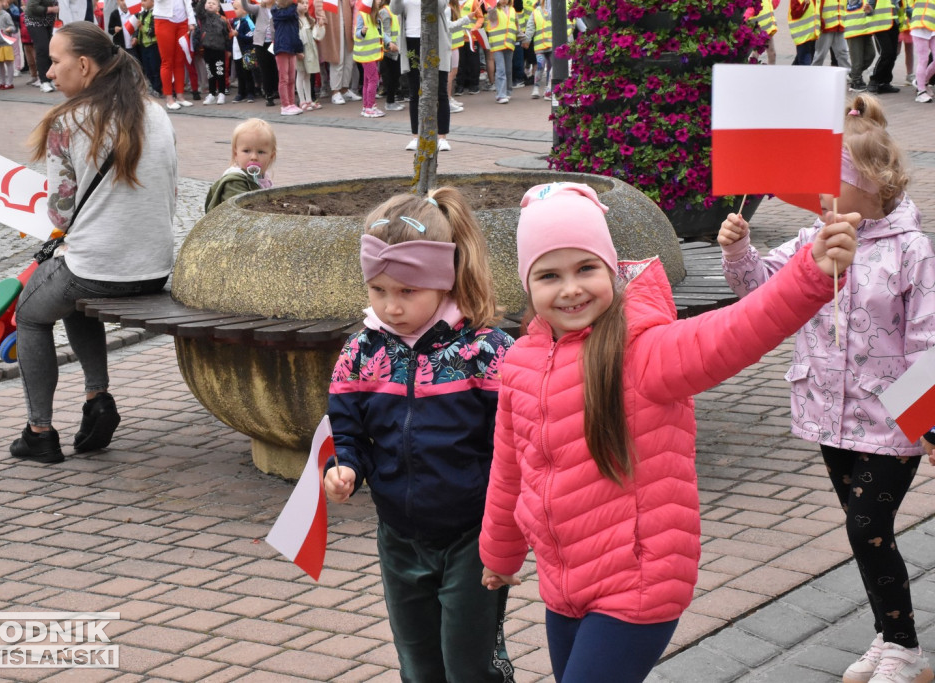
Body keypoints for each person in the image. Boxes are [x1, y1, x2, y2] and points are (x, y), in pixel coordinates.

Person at [479, 182, 859, 683]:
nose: (570, 288)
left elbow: (738, 330)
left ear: (612, 269)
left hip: (638, 583)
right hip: (564, 586)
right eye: (549, 275)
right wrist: (500, 554)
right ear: (528, 286)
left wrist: (809, 275)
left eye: (586, 268)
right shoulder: (519, 362)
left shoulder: (644, 351)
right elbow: (511, 467)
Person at [718, 95, 935, 683]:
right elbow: (761, 292)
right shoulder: (813, 238)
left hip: (891, 417)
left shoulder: (910, 250)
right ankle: (889, 636)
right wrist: (738, 249)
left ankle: (908, 650)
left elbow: (925, 338)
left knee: (866, 527)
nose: (817, 198)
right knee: (866, 532)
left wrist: (928, 421)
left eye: (828, 184)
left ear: (870, 184)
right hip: (827, 410)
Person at [324, 188, 516, 683]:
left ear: (444, 280)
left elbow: (515, 443)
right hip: (399, 537)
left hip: (473, 536)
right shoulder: (361, 352)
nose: (390, 306)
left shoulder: (486, 351)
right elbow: (348, 431)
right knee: (418, 666)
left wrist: (512, 527)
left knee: (470, 667)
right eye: (379, 290)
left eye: (407, 291)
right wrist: (342, 467)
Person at [14, 21, 177, 464]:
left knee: (28, 314)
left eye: (54, 61)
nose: (49, 72)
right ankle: (96, 398)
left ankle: (39, 431)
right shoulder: (156, 112)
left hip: (98, 269)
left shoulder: (66, 121)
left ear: (84, 65)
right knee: (70, 284)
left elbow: (60, 214)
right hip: (155, 266)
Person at [390, 0, 452, 150]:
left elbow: (439, 6)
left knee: (440, 91)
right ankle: (416, 136)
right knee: (415, 90)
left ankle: (441, 137)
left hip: (434, 40)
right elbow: (395, 9)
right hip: (411, 40)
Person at [204, 117, 275, 211]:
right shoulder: (234, 181)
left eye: (261, 152)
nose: (254, 157)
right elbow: (241, 209)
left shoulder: (263, 177)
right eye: (246, 151)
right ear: (236, 154)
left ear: (271, 156)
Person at [153, 0, 195, 109]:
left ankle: (180, 96)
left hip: (182, 21)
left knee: (180, 61)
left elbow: (188, 2)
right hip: (164, 19)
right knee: (167, 61)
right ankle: (169, 97)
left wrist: (191, 20)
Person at [194, 0, 230, 104]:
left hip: (219, 50)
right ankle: (212, 93)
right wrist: (202, 1)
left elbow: (226, 36)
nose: (210, 4)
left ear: (218, 8)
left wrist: (228, 49)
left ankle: (222, 93)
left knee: (220, 72)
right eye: (208, 2)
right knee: (210, 73)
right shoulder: (203, 18)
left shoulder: (223, 21)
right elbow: (198, 10)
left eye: (213, 3)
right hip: (207, 49)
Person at [270, 0, 301, 114]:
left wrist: (299, 49)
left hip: (291, 48)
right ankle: (285, 105)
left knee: (292, 78)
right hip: (282, 47)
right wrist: (295, 3)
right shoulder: (276, 10)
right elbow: (286, 14)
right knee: (284, 78)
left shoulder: (293, 12)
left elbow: (296, 31)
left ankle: (292, 103)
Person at [353, 0, 383, 117]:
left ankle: (367, 106)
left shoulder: (375, 15)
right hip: (366, 55)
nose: (380, 1)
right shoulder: (362, 15)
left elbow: (379, 33)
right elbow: (357, 34)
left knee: (367, 80)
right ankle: (370, 107)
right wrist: (362, 32)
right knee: (373, 79)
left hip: (371, 54)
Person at [23, 0, 57, 92]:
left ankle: (50, 79)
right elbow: (32, 7)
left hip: (49, 22)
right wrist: (51, 9)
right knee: (42, 49)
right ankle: (44, 81)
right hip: (35, 21)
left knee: (51, 49)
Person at [485, 0, 515, 104]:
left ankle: (507, 91)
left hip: (509, 43)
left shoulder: (512, 10)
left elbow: (516, 25)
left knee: (508, 69)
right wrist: (494, 4)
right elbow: (491, 16)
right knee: (501, 69)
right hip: (497, 44)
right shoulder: (493, 10)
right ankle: (500, 95)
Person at [521, 0, 549, 98]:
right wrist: (527, 40)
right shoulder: (535, 12)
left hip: (552, 44)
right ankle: (536, 88)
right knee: (540, 66)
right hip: (540, 45)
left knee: (551, 67)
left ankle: (548, 89)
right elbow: (530, 28)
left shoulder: (554, 11)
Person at [294, 0, 319, 109]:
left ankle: (309, 100)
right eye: (302, 3)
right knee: (300, 74)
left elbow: (317, 36)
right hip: (300, 50)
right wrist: (297, 51)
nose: (305, 5)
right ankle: (302, 100)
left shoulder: (310, 20)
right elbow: (295, 37)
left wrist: (320, 26)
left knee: (308, 75)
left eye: (306, 3)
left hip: (310, 51)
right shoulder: (295, 20)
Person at [377, 0, 401, 111]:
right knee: (392, 76)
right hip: (390, 51)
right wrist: (389, 44)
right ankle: (390, 102)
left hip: (396, 49)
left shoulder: (393, 10)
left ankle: (392, 100)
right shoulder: (385, 12)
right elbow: (384, 32)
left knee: (395, 76)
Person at [232, 0, 256, 101]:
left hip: (246, 51)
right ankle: (241, 92)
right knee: (239, 73)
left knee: (247, 72)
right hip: (237, 51)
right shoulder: (236, 22)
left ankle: (251, 92)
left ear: (245, 10)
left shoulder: (248, 22)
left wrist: (238, 35)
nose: (234, 11)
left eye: (236, 9)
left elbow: (251, 37)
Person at [910, 0, 934, 102]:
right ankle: (921, 91)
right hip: (919, 27)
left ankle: (922, 81)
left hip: (933, 28)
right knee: (923, 60)